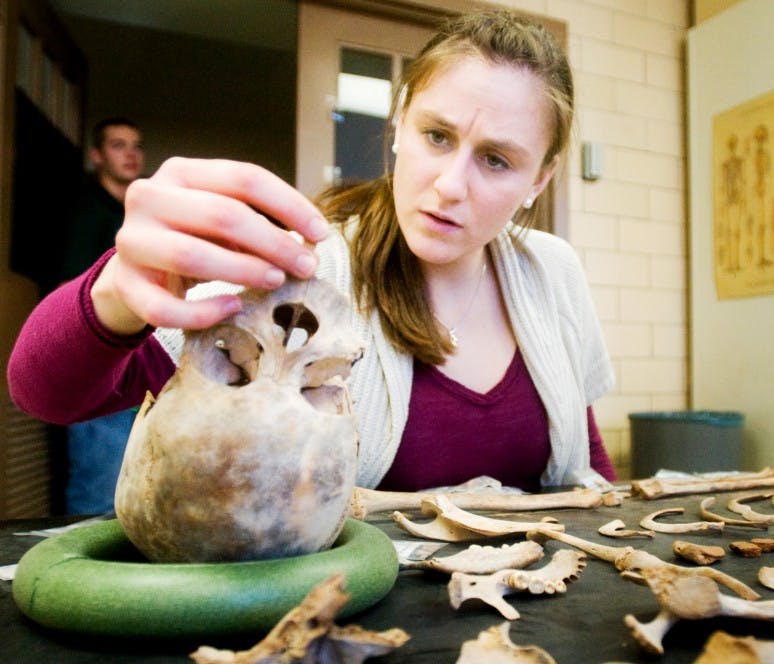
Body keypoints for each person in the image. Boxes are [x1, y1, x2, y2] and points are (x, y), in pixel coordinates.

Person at [7, 9, 615, 493]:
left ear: (540, 178)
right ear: (400, 122)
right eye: (436, 135)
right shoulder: (308, 275)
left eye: (497, 159)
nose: (451, 185)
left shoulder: (552, 272)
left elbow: (584, 454)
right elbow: (45, 394)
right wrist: (113, 292)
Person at [58, 118, 145, 515]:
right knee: (100, 492)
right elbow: (73, 294)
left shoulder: (139, 216)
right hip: (98, 364)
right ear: (96, 156)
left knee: (135, 489)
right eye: (117, 145)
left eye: (135, 145)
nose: (130, 153)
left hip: (137, 360)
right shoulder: (86, 215)